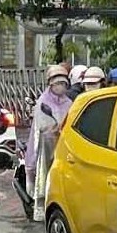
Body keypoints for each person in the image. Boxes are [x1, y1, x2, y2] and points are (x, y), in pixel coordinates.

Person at [26, 65, 73, 201]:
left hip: (63, 145)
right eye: (57, 84)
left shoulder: (69, 103)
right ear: (51, 85)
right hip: (45, 145)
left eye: (63, 84)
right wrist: (53, 128)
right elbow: (41, 126)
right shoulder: (43, 102)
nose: (60, 87)